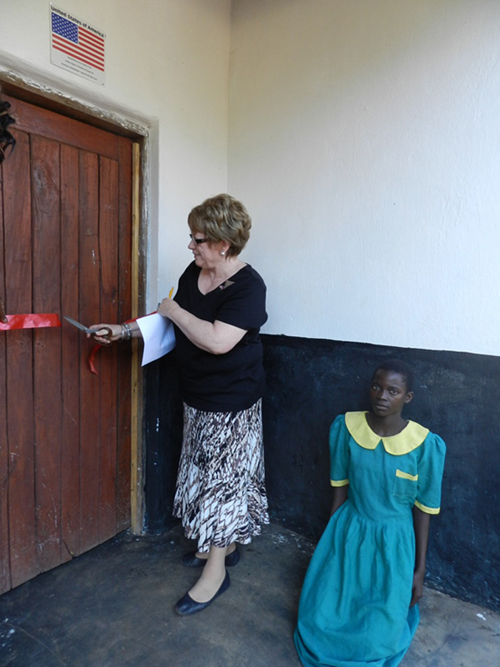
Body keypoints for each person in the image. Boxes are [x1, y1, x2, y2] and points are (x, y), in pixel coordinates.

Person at [91, 194, 269, 616]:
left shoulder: (249, 285)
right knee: (204, 476)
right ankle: (220, 548)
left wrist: (172, 308)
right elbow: (166, 323)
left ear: (224, 244)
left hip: (232, 404)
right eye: (192, 238)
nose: (191, 246)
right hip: (197, 397)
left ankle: (217, 571)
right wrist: (121, 331)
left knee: (223, 484)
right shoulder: (196, 272)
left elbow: (217, 340)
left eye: (199, 239)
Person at [294, 360, 446, 667]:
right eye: (377, 387)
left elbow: (423, 511)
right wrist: (330, 548)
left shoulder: (424, 446)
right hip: (350, 532)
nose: (382, 396)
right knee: (321, 616)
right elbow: (340, 491)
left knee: (377, 635)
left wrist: (419, 570)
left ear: (408, 397)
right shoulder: (347, 428)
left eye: (393, 390)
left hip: (393, 544)